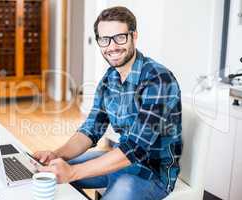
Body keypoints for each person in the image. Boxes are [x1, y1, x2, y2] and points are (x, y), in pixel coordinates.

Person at [34, 6, 182, 200]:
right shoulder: (109, 79)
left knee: (73, 173)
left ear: (133, 36)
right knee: (50, 173)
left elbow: (135, 149)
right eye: (104, 40)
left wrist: (73, 171)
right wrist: (57, 155)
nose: (111, 47)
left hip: (154, 174)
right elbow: (90, 130)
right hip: (119, 160)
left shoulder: (158, 79)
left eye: (119, 37)